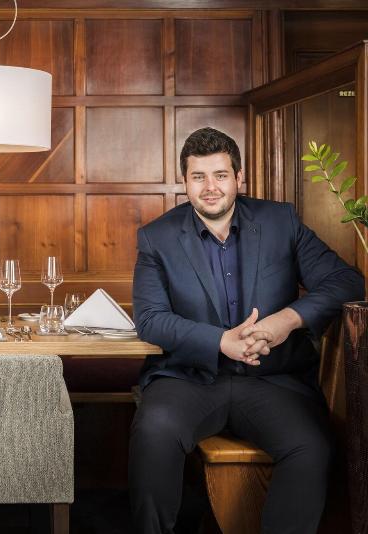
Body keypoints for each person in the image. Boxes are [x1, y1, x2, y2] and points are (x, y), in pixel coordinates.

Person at [130, 127, 365, 533]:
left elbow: (347, 281)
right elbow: (150, 318)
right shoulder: (157, 237)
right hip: (189, 378)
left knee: (311, 448)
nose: (210, 187)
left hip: (273, 380)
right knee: (153, 433)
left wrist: (286, 320)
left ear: (239, 177)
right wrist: (220, 341)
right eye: (198, 176)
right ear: (185, 182)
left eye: (220, 175)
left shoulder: (280, 221)